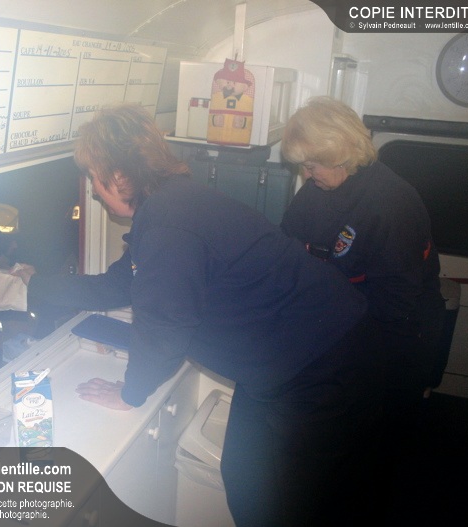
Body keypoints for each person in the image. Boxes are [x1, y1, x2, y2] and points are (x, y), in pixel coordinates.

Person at [22, 103, 384, 526]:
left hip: (320, 363)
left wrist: (130, 393)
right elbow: (117, 284)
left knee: (288, 503)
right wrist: (34, 285)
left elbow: (165, 329)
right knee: (246, 478)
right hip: (285, 358)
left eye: (94, 177)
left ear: (119, 176)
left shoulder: (168, 224)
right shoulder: (169, 205)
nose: (94, 191)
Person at [280, 96, 446, 517]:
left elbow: (393, 306)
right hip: (347, 324)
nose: (306, 174)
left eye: (312, 165)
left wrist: (330, 350)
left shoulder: (391, 204)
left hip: (394, 339)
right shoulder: (317, 190)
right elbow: (287, 250)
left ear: (341, 153)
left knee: (372, 455)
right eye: (303, 165)